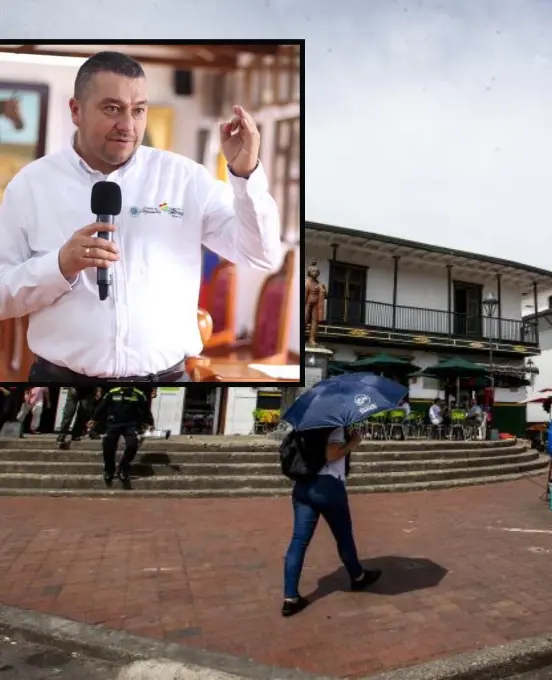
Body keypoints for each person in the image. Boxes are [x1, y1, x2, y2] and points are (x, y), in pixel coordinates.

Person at [0, 51, 282, 382]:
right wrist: (58, 266)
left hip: (167, 385)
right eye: (112, 108)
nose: (127, 125)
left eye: (138, 110)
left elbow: (261, 254)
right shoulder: (31, 186)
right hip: (60, 384)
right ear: (76, 111)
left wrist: (245, 174)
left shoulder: (185, 179)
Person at [282, 426, 381, 617]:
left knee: (299, 540)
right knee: (343, 536)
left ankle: (290, 597)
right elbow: (331, 454)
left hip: (303, 486)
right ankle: (358, 576)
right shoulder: (333, 424)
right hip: (327, 486)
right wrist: (353, 442)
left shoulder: (304, 425)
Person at [90, 385, 154, 486]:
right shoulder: (113, 392)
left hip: (131, 424)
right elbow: (102, 406)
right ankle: (109, 470)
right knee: (108, 445)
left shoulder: (138, 394)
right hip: (114, 423)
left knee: (133, 444)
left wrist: (149, 422)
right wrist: (94, 419)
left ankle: (123, 469)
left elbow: (146, 410)